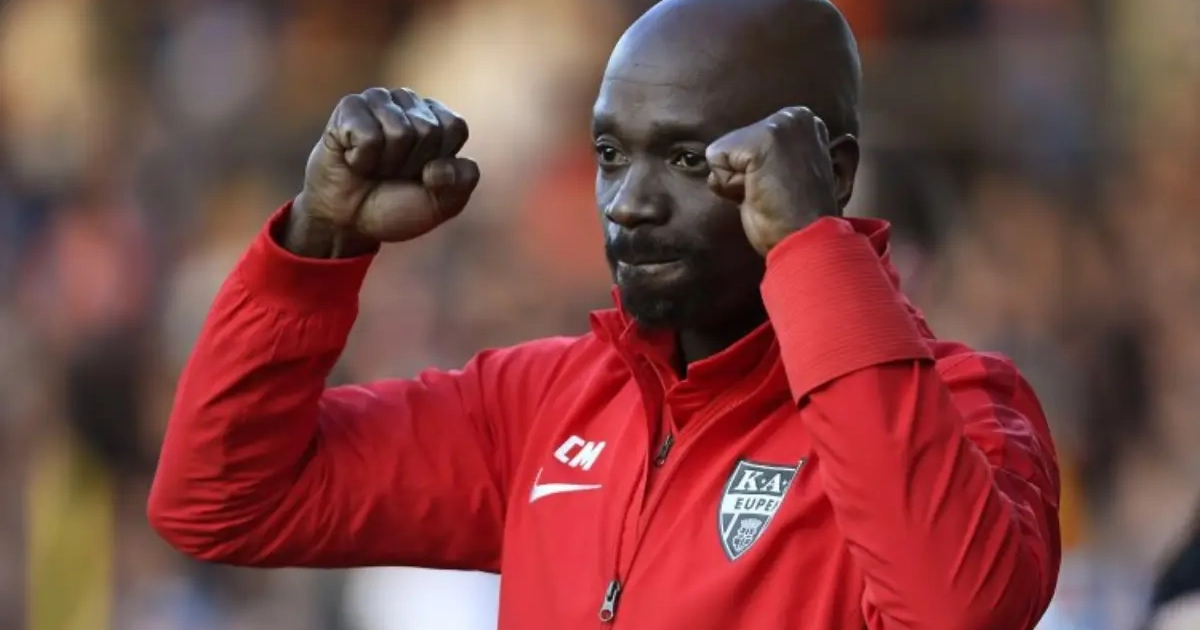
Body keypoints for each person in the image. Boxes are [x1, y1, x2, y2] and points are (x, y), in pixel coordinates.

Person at [147, 0, 1062, 627]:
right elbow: (223, 500)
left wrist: (815, 249)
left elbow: (957, 613)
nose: (629, 203)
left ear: (832, 170)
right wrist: (317, 244)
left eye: (690, 160)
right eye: (611, 153)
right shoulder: (542, 403)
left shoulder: (969, 408)